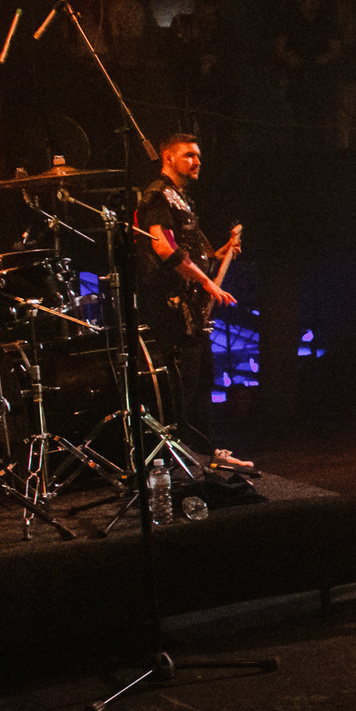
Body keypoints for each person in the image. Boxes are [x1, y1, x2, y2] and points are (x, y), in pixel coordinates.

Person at [132, 132, 250, 470]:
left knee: (201, 385)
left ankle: (206, 456)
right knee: (182, 389)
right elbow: (163, 247)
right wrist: (207, 283)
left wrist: (222, 252)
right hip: (173, 309)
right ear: (168, 158)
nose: (196, 161)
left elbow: (196, 254)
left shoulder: (181, 198)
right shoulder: (157, 197)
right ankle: (179, 463)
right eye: (188, 155)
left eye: (198, 155)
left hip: (193, 309)